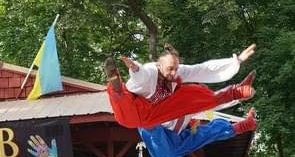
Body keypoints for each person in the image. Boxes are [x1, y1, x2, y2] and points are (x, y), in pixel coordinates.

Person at [103, 44, 256, 130]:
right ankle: (115, 81)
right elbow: (141, 74)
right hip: (134, 108)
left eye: (176, 68)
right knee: (121, 97)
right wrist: (135, 68)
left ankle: (237, 92)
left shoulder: (177, 72)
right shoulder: (150, 72)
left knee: (196, 95)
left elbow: (202, 69)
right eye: (170, 68)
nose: (174, 73)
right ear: (159, 64)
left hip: (157, 112)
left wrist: (237, 61)